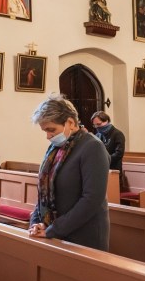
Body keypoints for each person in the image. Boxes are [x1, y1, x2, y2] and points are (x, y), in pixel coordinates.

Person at [28, 94, 110, 251]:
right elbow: (44, 189)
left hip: (83, 235)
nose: (48, 136)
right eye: (45, 131)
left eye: (51, 130)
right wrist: (37, 222)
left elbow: (92, 199)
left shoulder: (93, 147)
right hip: (55, 230)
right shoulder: (55, 148)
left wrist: (53, 229)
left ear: (70, 122)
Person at [91, 111, 126, 187]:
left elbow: (119, 153)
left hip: (113, 171)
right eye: (95, 125)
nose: (97, 127)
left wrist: (105, 160)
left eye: (99, 124)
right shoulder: (98, 135)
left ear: (106, 121)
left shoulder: (117, 134)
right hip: (100, 171)